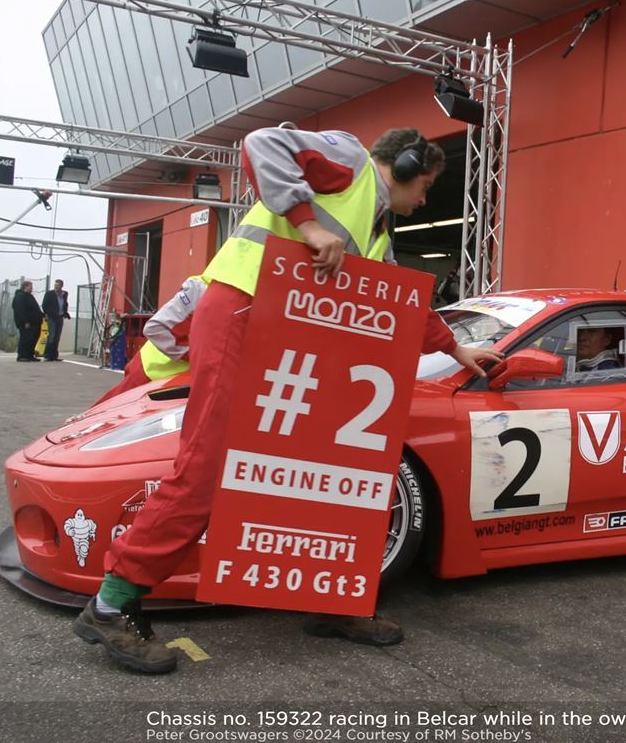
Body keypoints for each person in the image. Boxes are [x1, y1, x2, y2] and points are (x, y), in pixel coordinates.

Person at [72, 125, 503, 674]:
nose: (424, 200)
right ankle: (111, 604)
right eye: (426, 185)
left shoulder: (377, 232)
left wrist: (455, 349)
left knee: (321, 471)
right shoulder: (350, 159)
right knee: (206, 469)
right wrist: (307, 225)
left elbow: (400, 300)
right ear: (406, 165)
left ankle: (331, 599)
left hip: (291, 339)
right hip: (243, 314)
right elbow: (262, 143)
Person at [93, 276, 207, 406]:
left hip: (174, 381)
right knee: (110, 412)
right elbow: (156, 329)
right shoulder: (202, 288)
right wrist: (202, 358)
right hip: (150, 371)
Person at [11, 281, 43, 362]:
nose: (32, 288)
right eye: (30, 287)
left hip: (35, 322)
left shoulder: (29, 296)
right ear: (25, 286)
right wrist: (25, 321)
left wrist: (42, 315)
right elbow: (20, 310)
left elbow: (35, 309)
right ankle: (22, 355)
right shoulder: (20, 296)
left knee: (33, 339)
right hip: (27, 323)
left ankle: (29, 355)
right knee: (26, 339)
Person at [41, 278, 70, 361]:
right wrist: (48, 313)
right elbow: (44, 305)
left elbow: (65, 304)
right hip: (52, 317)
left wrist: (65, 313)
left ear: (61, 286)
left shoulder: (64, 294)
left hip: (60, 317)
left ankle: (54, 355)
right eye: (55, 285)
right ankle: (47, 355)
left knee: (57, 337)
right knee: (52, 336)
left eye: (58, 285)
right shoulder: (49, 294)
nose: (56, 287)